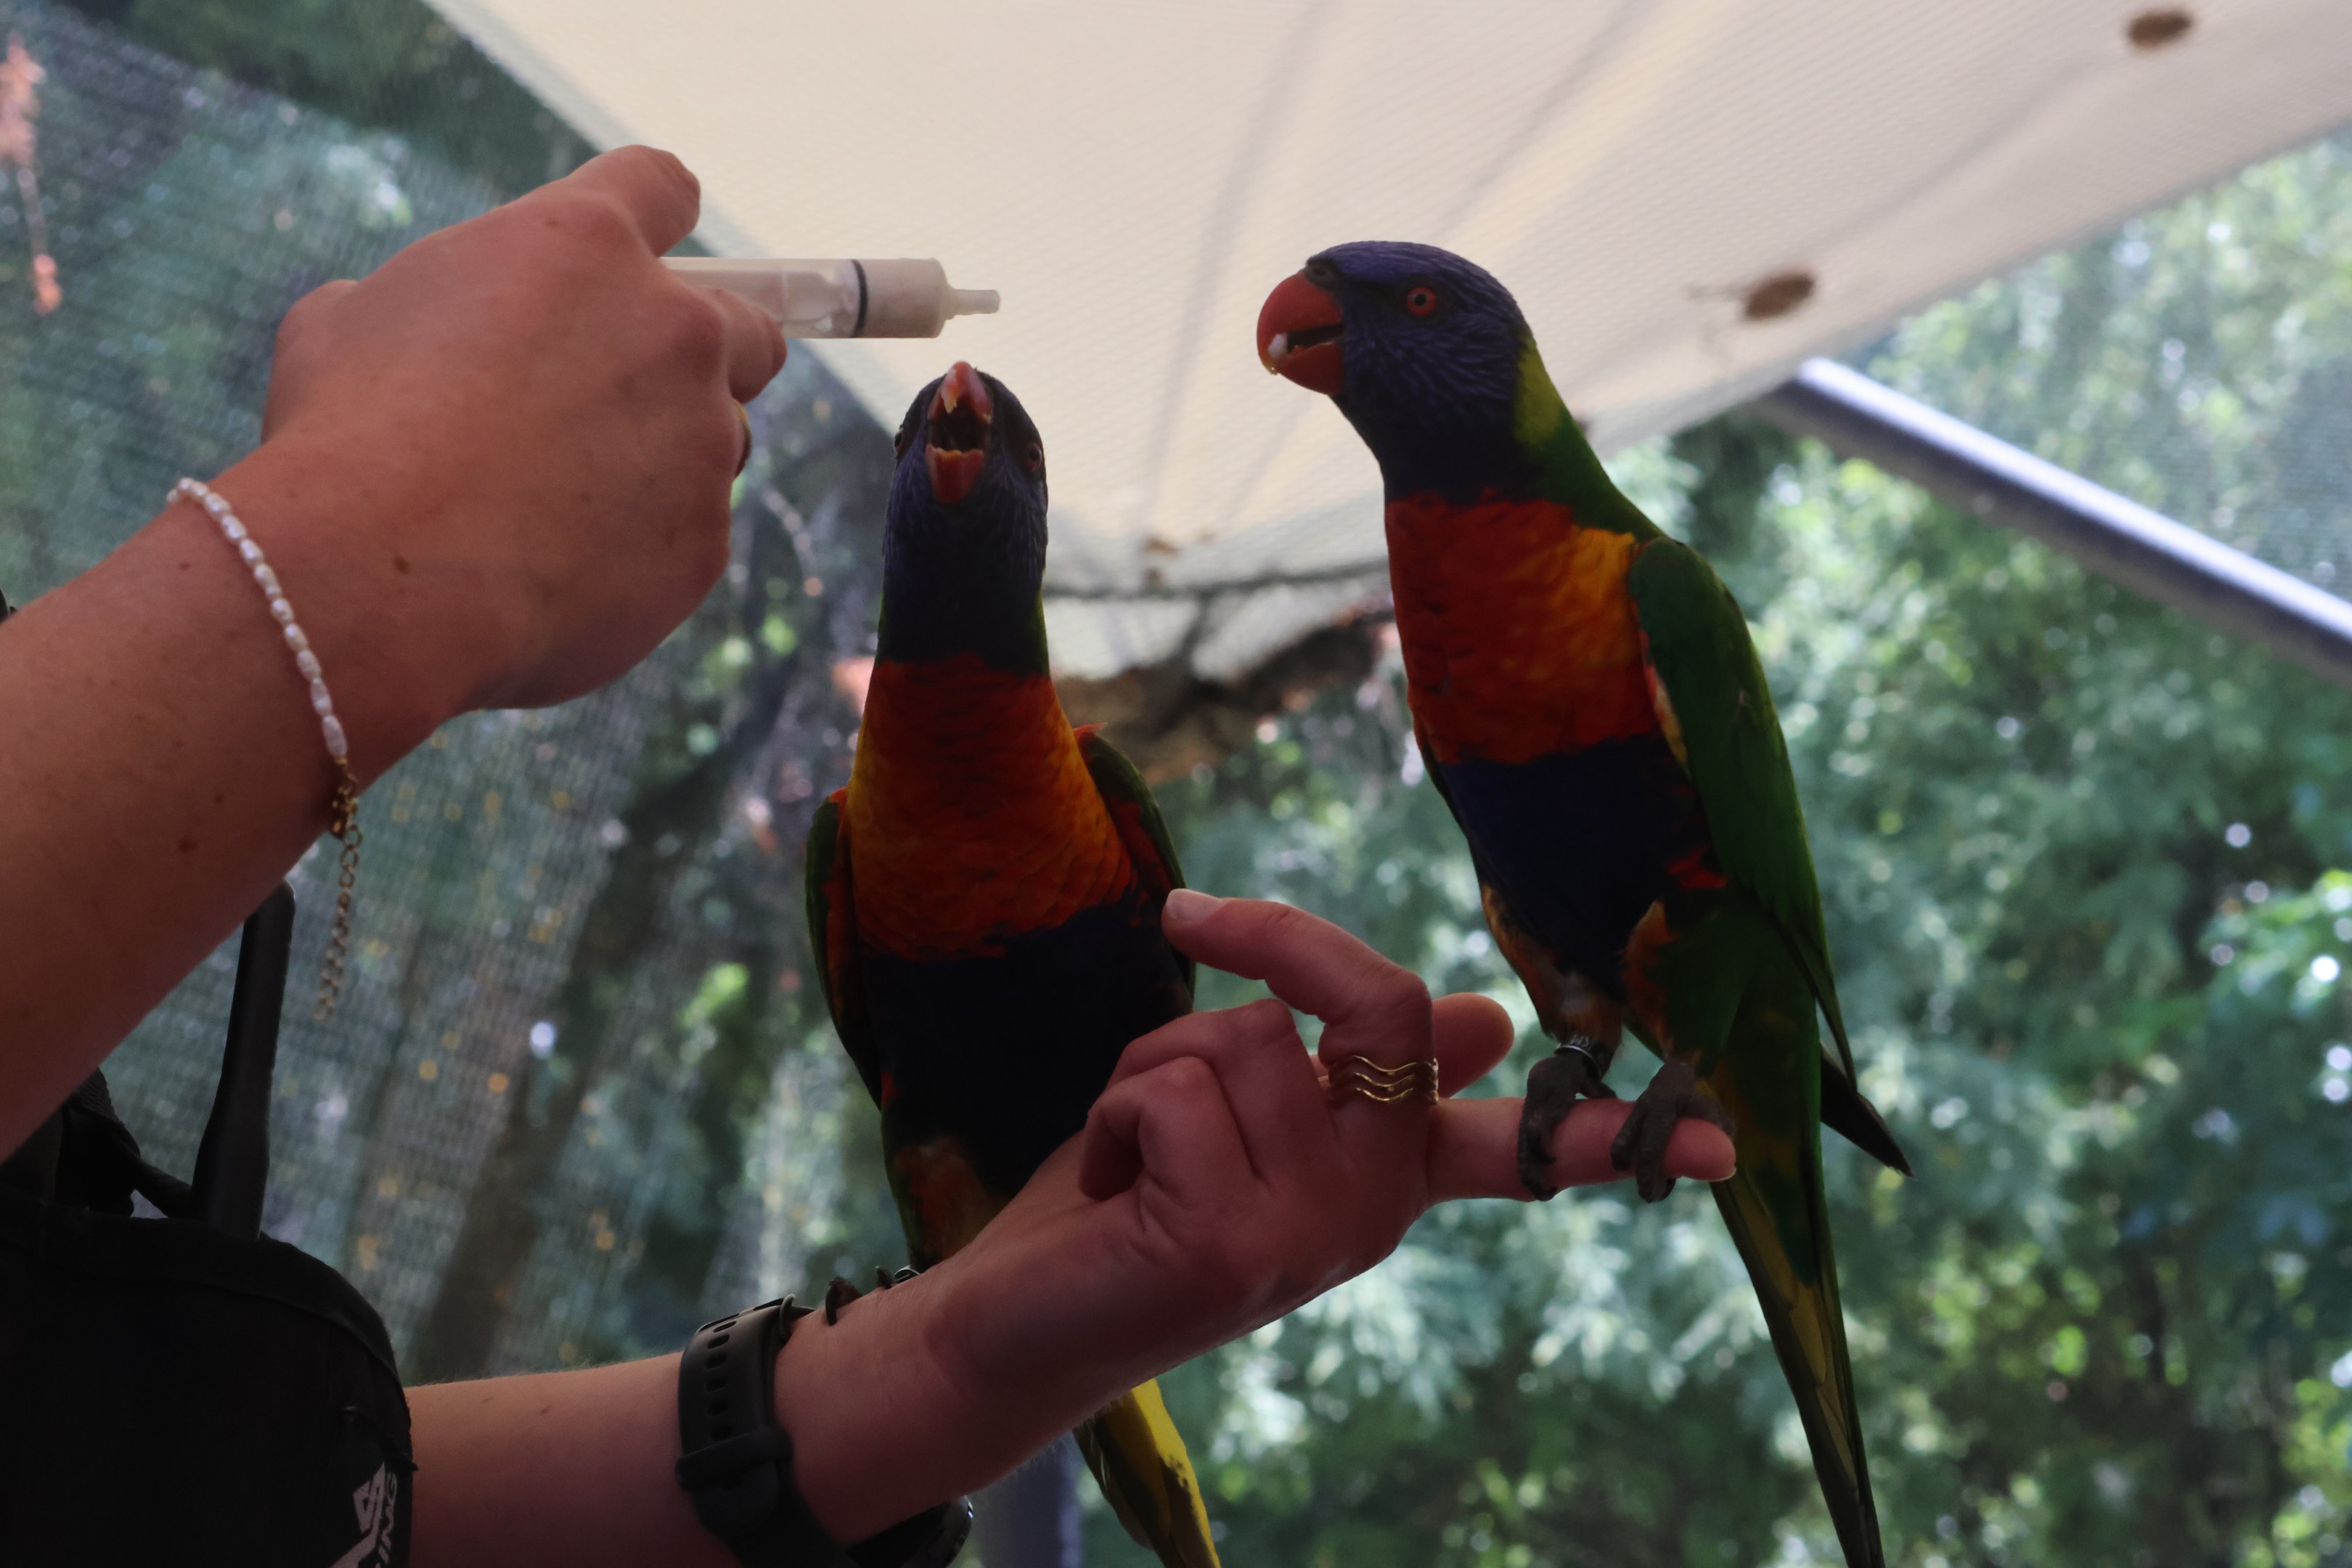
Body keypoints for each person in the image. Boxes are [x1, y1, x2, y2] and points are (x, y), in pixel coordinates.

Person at [0, 147, 1734, 1565]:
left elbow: (271, 1505)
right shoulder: (857, 843)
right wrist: (378, 538)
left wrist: (942, 1360)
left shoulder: (1101, 790)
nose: (958, 418)